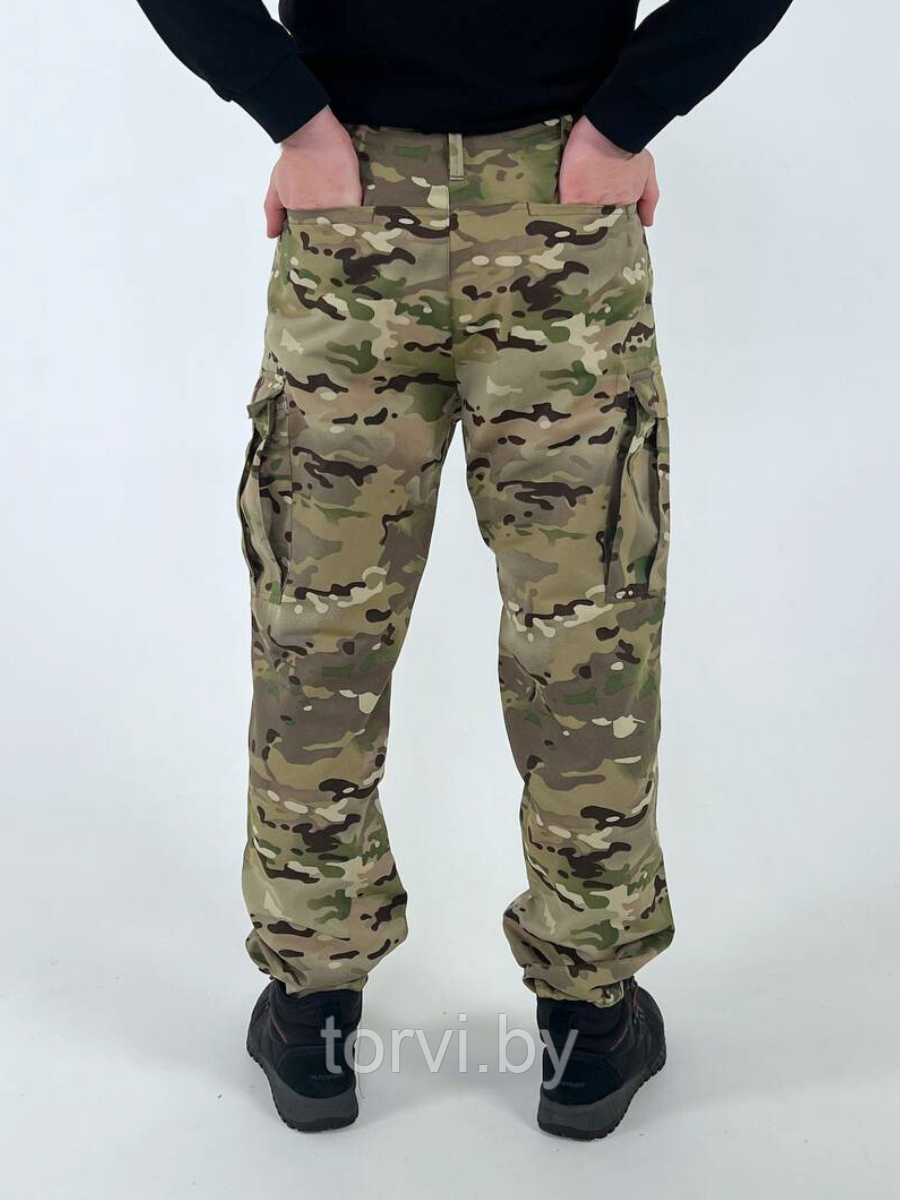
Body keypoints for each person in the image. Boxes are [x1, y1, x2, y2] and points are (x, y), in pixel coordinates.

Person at [136, 0, 793, 1138]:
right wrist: (622, 123)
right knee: (585, 635)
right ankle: (589, 1022)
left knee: (318, 631)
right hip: (559, 214)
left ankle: (313, 1010)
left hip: (354, 215)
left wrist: (298, 123)